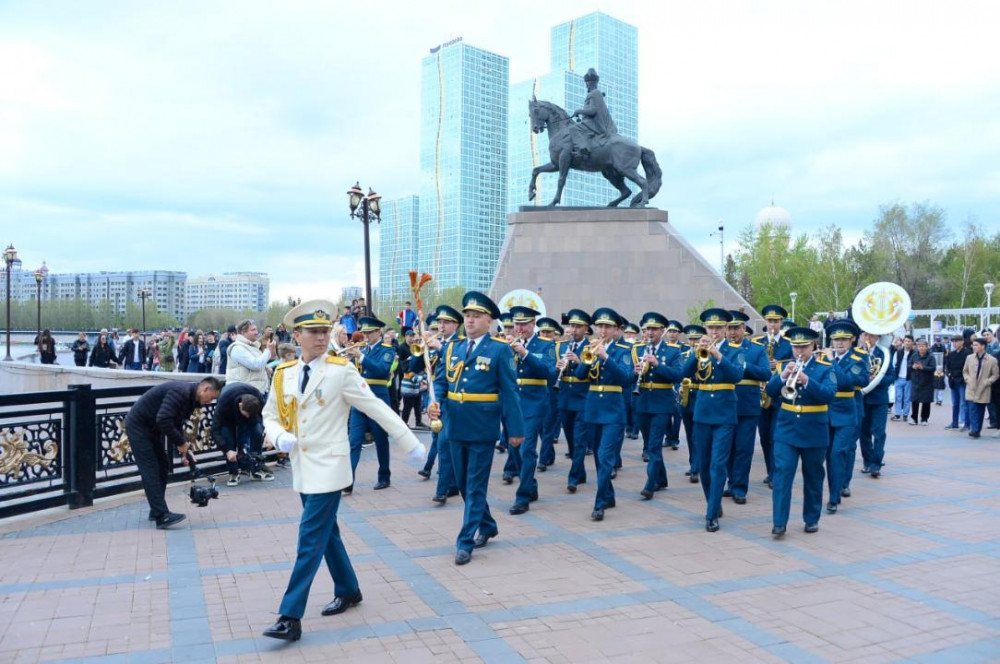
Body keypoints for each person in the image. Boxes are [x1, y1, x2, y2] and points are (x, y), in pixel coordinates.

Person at [261, 299, 424, 642]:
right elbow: (269, 415)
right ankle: (349, 588)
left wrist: (408, 441)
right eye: (313, 332)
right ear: (297, 335)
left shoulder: (341, 370)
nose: (321, 338)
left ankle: (290, 615)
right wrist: (279, 436)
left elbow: (376, 407)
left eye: (324, 331)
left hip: (331, 468)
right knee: (326, 533)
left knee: (309, 538)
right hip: (302, 466)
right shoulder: (283, 372)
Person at [426, 291, 524, 565]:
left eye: (476, 316)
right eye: (467, 316)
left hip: (482, 426)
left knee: (475, 485)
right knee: (462, 483)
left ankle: (465, 541)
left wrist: (514, 430)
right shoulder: (452, 348)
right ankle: (489, 525)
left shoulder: (499, 349)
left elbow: (510, 392)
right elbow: (442, 382)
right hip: (454, 425)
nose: (469, 321)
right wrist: (433, 403)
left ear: (489, 320)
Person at [125, 377, 222, 529]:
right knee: (150, 469)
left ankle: (156, 509)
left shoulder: (190, 398)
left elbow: (175, 424)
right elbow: (163, 419)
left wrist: (183, 451)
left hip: (151, 428)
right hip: (139, 427)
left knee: (163, 465)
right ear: (206, 389)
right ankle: (161, 516)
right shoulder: (181, 393)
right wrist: (182, 443)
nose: (210, 402)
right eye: (212, 397)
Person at [765, 327, 835, 537]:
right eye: (796, 347)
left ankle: (811, 518)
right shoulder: (783, 366)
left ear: (813, 346)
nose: (799, 351)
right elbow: (769, 391)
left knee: (813, 476)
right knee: (782, 475)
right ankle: (779, 522)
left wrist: (806, 380)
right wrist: (784, 375)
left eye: (804, 347)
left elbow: (829, 395)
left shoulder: (824, 368)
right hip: (786, 429)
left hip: (814, 429)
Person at [682, 309, 744, 532]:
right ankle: (714, 501)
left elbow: (736, 376)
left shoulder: (735, 350)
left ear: (726, 329)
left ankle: (710, 514)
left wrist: (718, 355)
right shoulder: (698, 350)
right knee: (705, 463)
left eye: (719, 328)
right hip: (702, 412)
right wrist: (695, 353)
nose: (715, 331)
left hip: (725, 413)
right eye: (711, 328)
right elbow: (683, 373)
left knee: (718, 463)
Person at [574, 307, 632, 521]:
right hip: (592, 409)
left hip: (613, 410)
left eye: (607, 326)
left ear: (616, 329)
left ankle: (599, 504)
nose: (603, 330)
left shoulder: (624, 350)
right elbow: (580, 376)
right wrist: (587, 359)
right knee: (599, 459)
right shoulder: (589, 348)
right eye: (600, 326)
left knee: (605, 457)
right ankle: (608, 495)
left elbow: (626, 379)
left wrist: (606, 357)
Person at [505, 306, 556, 515]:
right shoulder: (506, 344)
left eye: (524, 323)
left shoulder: (546, 344)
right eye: (517, 324)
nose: (520, 327)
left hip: (534, 403)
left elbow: (549, 372)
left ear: (533, 324)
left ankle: (522, 496)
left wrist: (524, 353)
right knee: (514, 449)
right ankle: (531, 485)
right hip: (512, 402)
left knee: (526, 449)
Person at [632, 312, 683, 501]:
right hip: (643, 401)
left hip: (662, 403)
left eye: (654, 329)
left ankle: (650, 484)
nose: (650, 332)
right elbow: (631, 376)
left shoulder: (672, 351)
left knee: (654, 445)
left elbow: (678, 375)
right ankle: (661, 478)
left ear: (662, 330)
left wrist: (657, 365)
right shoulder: (638, 350)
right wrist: (635, 371)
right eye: (647, 329)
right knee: (648, 443)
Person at [343, 316, 396, 491]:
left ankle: (384, 476)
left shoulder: (388, 350)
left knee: (380, 439)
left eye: (369, 332)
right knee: (354, 440)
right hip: (360, 400)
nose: (366, 336)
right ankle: (348, 480)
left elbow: (381, 370)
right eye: (364, 332)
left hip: (377, 399)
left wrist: (362, 356)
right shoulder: (361, 349)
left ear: (378, 332)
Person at [723, 311, 771, 505]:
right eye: (730, 328)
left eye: (736, 328)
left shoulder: (756, 349)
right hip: (725, 404)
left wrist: (745, 366)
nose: (733, 332)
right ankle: (732, 481)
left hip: (747, 406)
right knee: (727, 448)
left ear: (744, 328)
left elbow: (766, 373)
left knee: (743, 448)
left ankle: (740, 488)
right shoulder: (721, 349)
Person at [822, 321, 869, 514]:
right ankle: (836, 488)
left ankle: (834, 496)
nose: (839, 343)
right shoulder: (824, 357)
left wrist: (831, 360)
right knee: (829, 455)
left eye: (843, 340)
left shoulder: (859, 357)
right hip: (827, 411)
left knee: (840, 452)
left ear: (852, 340)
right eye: (836, 340)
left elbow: (846, 381)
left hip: (848, 410)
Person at [756, 305, 794, 488]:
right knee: (764, 436)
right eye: (770, 321)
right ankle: (770, 470)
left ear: (781, 323)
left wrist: (779, 363)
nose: (773, 325)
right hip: (762, 394)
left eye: (776, 321)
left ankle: (775, 473)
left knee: (775, 435)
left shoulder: (789, 344)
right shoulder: (758, 343)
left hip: (780, 395)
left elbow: (796, 363)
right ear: (766, 322)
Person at [558, 310, 595, 492]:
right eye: (572, 325)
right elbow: (552, 373)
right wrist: (559, 365)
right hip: (565, 397)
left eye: (578, 326)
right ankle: (580, 472)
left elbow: (585, 375)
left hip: (583, 398)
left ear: (586, 329)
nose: (574, 329)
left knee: (580, 439)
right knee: (571, 440)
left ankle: (573, 477)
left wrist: (579, 362)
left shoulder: (591, 348)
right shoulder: (561, 346)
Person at [211, 382, 272, 486]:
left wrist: (269, 434)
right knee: (228, 440)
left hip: (252, 415)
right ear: (240, 405)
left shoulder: (258, 397)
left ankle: (256, 468)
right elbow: (214, 430)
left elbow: (267, 416)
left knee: (257, 432)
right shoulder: (224, 402)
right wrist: (226, 450)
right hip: (228, 418)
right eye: (246, 414)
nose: (247, 417)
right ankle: (233, 473)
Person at [859, 332, 897, 479]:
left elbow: (891, 376)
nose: (868, 339)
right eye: (866, 336)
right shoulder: (857, 353)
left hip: (879, 399)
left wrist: (877, 378)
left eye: (872, 336)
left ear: (877, 338)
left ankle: (876, 464)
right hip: (861, 398)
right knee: (864, 433)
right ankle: (867, 462)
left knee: (879, 432)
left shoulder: (884, 354)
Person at [570, 68, 618, 160]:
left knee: (574, 128)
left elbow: (593, 111)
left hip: (595, 124)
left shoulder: (594, 93)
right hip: (590, 122)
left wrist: (579, 111)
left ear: (591, 83)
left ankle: (584, 150)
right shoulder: (595, 93)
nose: (586, 86)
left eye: (587, 83)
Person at [226, 319, 276, 392]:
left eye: (256, 330)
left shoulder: (251, 346)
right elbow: (255, 364)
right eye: (253, 330)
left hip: (255, 391)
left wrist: (265, 369)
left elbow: (255, 364)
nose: (257, 332)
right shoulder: (237, 348)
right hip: (244, 393)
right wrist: (268, 350)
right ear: (244, 332)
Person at [963, 338, 998, 439]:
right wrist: (967, 379)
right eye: (973, 345)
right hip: (971, 387)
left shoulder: (992, 360)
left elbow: (995, 374)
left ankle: (977, 430)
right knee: (972, 409)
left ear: (983, 346)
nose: (974, 347)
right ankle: (974, 430)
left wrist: (988, 381)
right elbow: (965, 371)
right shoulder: (969, 358)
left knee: (980, 410)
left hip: (983, 388)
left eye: (976, 345)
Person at [944, 334, 971, 431]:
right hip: (953, 381)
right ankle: (954, 422)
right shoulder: (951, 354)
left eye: (957, 341)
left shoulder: (968, 353)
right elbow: (947, 366)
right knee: (955, 403)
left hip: (963, 381)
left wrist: (964, 378)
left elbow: (968, 368)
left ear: (962, 342)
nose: (955, 343)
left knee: (964, 403)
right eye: (953, 342)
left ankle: (965, 423)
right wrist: (949, 374)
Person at [907, 339, 936, 425]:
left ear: (927, 347)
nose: (921, 348)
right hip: (915, 381)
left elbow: (933, 368)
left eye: (923, 346)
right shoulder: (914, 355)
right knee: (914, 401)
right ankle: (914, 418)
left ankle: (924, 419)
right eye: (919, 346)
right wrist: (913, 366)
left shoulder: (931, 356)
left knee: (926, 402)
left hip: (927, 382)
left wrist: (922, 367)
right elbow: (909, 365)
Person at [890, 336, 915, 420]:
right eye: (906, 341)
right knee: (898, 396)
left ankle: (905, 414)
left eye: (909, 341)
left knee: (907, 397)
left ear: (912, 342)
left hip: (909, 378)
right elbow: (894, 364)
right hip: (898, 378)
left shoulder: (914, 353)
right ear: (903, 342)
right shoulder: (898, 352)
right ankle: (897, 414)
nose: (907, 343)